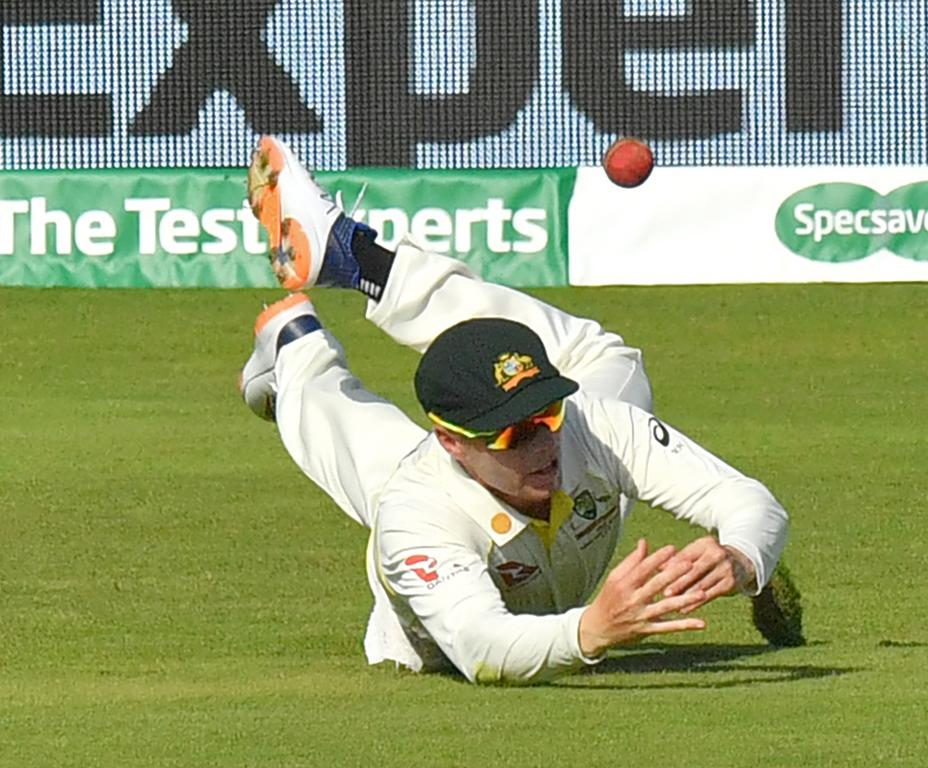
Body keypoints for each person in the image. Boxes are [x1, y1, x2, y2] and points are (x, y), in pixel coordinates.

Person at [239, 136, 792, 684]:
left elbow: (748, 500)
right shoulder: (416, 519)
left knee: (603, 358)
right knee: (339, 420)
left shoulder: (585, 424)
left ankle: (362, 263)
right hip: (432, 626)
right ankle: (295, 349)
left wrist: (740, 554)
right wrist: (593, 630)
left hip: (480, 491)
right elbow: (484, 648)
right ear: (452, 441)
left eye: (546, 416)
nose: (545, 443)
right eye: (515, 434)